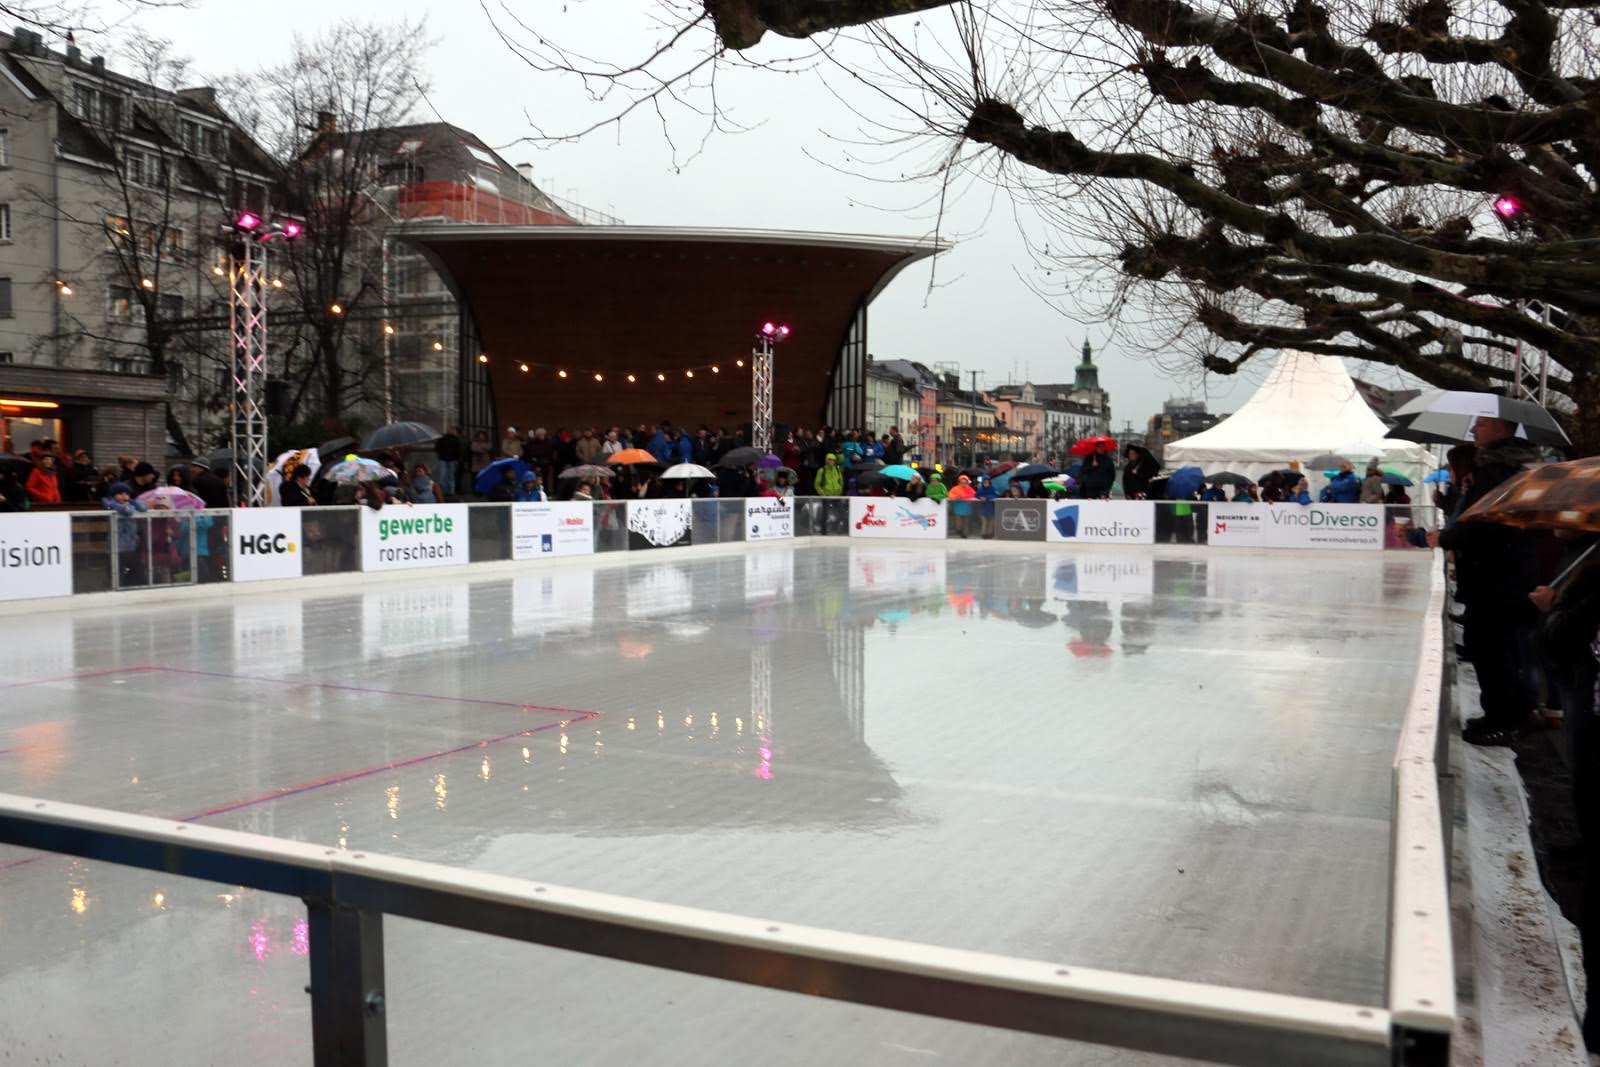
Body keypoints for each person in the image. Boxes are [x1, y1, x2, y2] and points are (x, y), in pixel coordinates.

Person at [1428, 416, 1542, 745]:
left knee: (1489, 648)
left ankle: (1504, 718)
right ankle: (1508, 712)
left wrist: (1445, 537)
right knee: (1497, 647)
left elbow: (1482, 525)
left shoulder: (1494, 471)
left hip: (1495, 577)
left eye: (1482, 424)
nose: (1474, 429)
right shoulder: (1516, 467)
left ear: (1501, 428)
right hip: (1510, 573)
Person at [435, 426, 462, 499]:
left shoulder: (456, 439)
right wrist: (440, 455)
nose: (451, 431)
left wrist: (457, 459)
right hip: (443, 459)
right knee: (443, 476)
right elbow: (437, 446)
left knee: (451, 477)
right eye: (449, 430)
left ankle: (451, 492)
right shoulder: (443, 438)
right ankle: (444, 492)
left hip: (452, 460)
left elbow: (459, 450)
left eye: (452, 430)